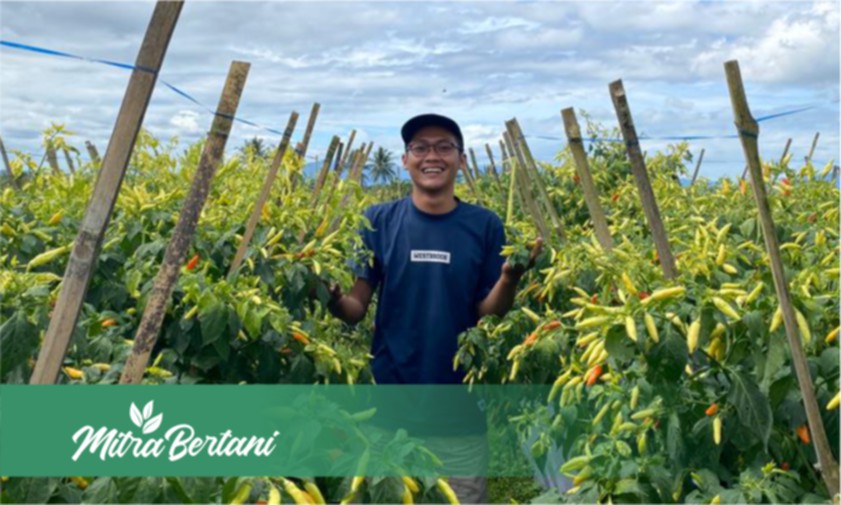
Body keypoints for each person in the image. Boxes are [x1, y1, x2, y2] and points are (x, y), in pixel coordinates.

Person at [325, 113, 542, 502]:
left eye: (444, 147)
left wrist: (510, 278)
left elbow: (488, 314)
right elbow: (356, 307)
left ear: (460, 159)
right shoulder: (378, 220)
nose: (432, 156)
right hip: (388, 409)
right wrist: (332, 297)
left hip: (458, 412)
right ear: (405, 160)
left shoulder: (484, 225)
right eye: (420, 147)